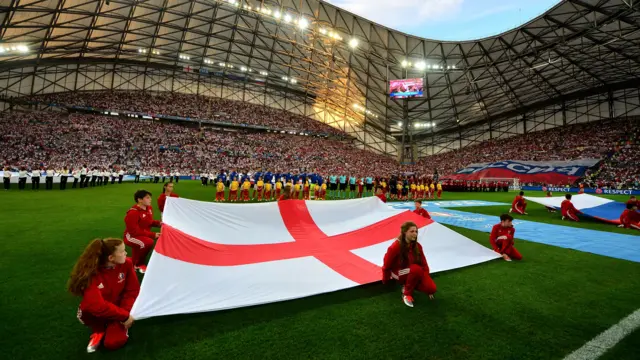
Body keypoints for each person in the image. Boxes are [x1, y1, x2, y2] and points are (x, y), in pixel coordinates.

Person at [67, 238, 139, 353]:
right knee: (84, 312)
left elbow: (132, 291)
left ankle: (115, 326)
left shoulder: (127, 264)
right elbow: (97, 305)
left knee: (113, 343)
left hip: (120, 308)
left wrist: (125, 313)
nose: (126, 253)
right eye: (122, 251)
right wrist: (124, 316)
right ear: (111, 258)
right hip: (103, 310)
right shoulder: (91, 273)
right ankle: (99, 330)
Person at [382, 221, 436, 307]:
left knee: (431, 288)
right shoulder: (395, 246)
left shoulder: (418, 246)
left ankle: (410, 283)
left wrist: (426, 279)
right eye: (412, 231)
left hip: (413, 272)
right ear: (404, 232)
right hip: (398, 273)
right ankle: (406, 293)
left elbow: (424, 264)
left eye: (416, 231)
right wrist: (386, 280)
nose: (415, 234)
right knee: (416, 269)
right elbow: (386, 264)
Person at [123, 190, 161, 273]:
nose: (150, 199)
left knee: (147, 242)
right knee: (147, 243)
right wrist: (152, 234)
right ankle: (137, 264)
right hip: (131, 236)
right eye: (147, 198)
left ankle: (133, 261)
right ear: (139, 200)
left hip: (141, 234)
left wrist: (159, 223)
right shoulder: (133, 213)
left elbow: (149, 222)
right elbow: (134, 231)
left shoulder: (149, 208)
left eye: (150, 197)